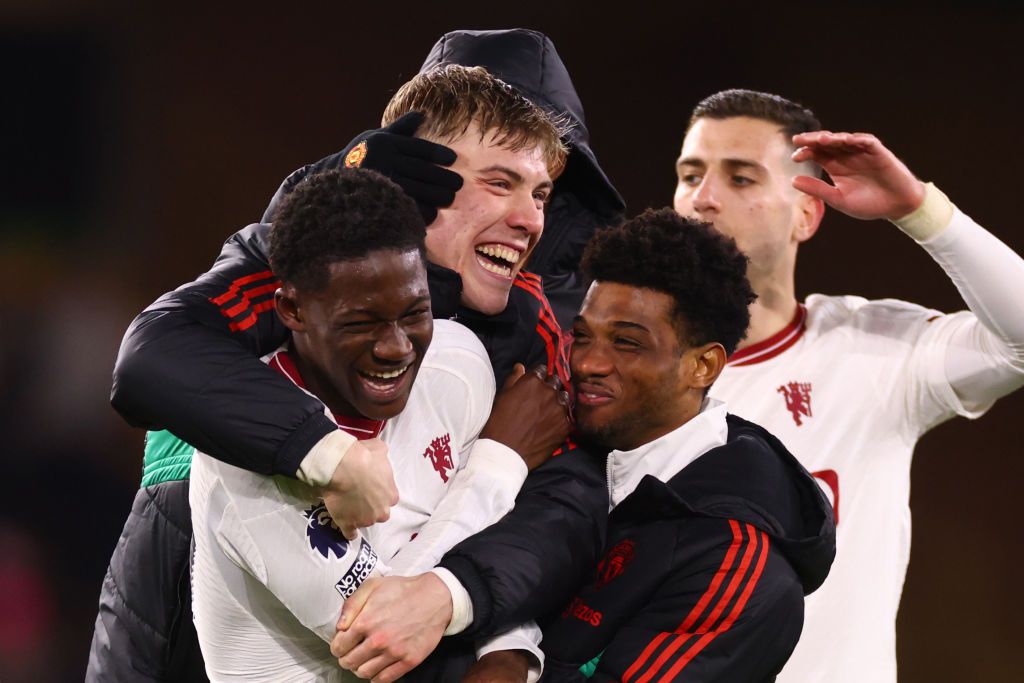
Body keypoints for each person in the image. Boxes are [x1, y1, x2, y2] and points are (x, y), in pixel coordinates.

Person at [89, 36, 613, 682]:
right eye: (500, 182)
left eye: (542, 193)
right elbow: (151, 358)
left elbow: (570, 506)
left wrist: (475, 610)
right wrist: (332, 456)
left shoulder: (528, 328)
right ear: (415, 173)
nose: (531, 219)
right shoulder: (302, 267)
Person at [672, 89, 1024, 682]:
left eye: (741, 178)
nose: (703, 199)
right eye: (690, 174)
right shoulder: (621, 374)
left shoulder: (871, 351)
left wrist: (919, 210)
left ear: (806, 213)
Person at [190, 167, 570, 681]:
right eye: (361, 322)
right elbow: (385, 629)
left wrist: (513, 649)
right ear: (292, 309)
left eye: (414, 313)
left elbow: (502, 538)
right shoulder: (248, 457)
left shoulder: (456, 364)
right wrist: (500, 461)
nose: (396, 347)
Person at [535, 209, 834, 681]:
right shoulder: (557, 444)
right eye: (584, 336)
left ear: (703, 367)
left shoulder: (736, 565)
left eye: (627, 343)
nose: (588, 363)